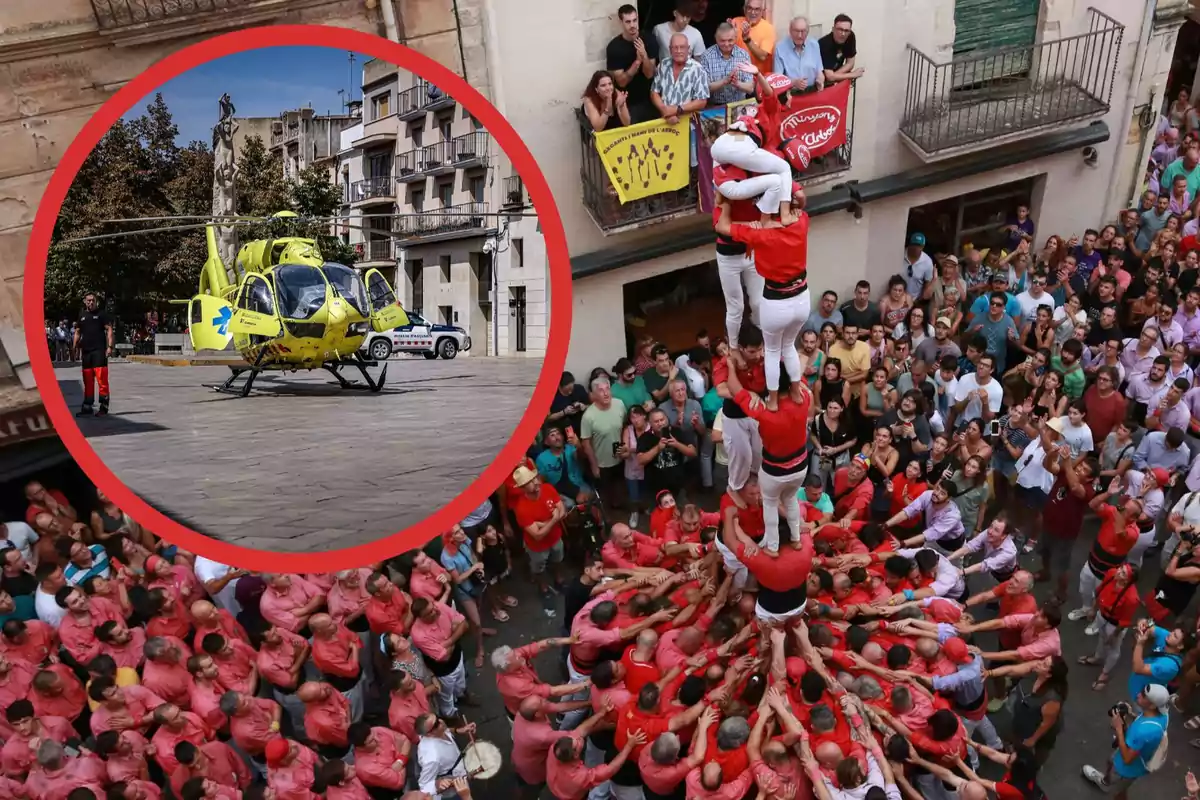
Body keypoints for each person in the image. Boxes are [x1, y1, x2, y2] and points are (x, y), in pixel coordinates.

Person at [1082, 683, 1170, 798]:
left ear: (1153, 705)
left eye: (1143, 696)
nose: (1138, 695)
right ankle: (1105, 781)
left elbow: (1127, 759)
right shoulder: (1163, 715)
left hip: (1126, 769)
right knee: (1111, 761)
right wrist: (1130, 714)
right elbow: (1143, 721)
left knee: (1117, 792)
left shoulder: (1143, 732)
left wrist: (1118, 728)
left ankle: (1107, 785)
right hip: (1133, 752)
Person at [74, 292, 114, 417]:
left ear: (96, 302)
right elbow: (77, 332)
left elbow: (109, 330)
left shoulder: (101, 315)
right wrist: (74, 347)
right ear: (85, 302)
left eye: (93, 300)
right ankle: (87, 406)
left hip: (99, 351)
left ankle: (103, 406)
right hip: (86, 352)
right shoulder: (82, 316)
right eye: (88, 300)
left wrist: (109, 347)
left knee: (101, 379)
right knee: (88, 380)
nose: (91, 302)